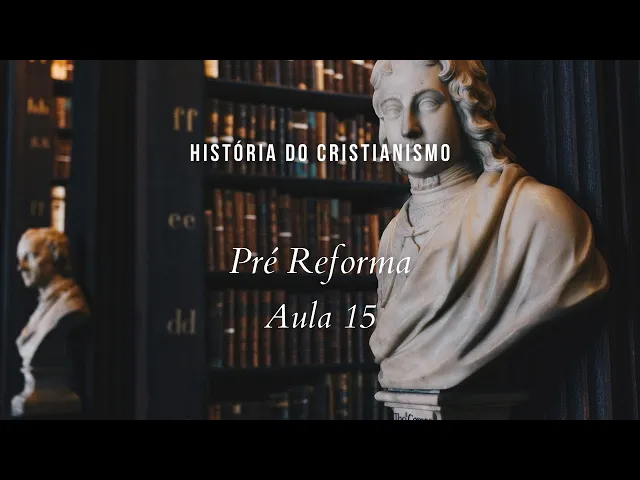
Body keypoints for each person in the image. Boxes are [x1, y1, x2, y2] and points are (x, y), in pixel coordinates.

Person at [369, 60, 610, 391]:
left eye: (427, 103)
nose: (408, 128)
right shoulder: (391, 236)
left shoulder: (539, 217)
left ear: (465, 109)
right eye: (393, 109)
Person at [12, 228, 91, 418]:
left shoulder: (70, 305)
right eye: (20, 259)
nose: (21, 267)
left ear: (55, 257)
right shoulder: (42, 305)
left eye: (30, 256)